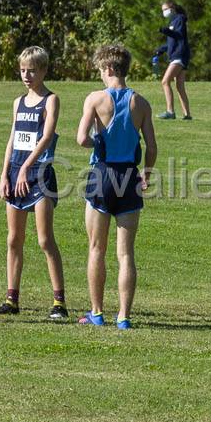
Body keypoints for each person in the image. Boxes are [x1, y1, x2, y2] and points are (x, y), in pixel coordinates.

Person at [77, 44, 157, 329]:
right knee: (126, 253)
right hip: (129, 177)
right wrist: (146, 173)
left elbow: (81, 138)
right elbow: (151, 146)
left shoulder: (96, 99)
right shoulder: (141, 103)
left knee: (96, 247)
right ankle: (124, 316)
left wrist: (100, 141)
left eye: (100, 70)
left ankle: (97, 312)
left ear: (109, 69)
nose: (101, 75)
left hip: (102, 175)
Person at [0, 46, 69, 320]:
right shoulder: (18, 102)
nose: (26, 75)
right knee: (14, 239)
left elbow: (47, 137)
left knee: (45, 239)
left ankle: (59, 302)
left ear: (44, 70)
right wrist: (5, 174)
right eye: (23, 70)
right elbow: (12, 139)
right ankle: (11, 299)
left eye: (32, 70)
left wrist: (26, 167)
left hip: (39, 174)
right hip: (16, 173)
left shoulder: (51, 100)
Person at [152, 0, 192, 120]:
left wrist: (165, 30)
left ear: (172, 8)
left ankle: (170, 112)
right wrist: (161, 49)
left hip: (179, 56)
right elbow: (172, 41)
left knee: (165, 82)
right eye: (163, 10)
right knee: (179, 86)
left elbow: (178, 35)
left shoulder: (179, 19)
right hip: (179, 55)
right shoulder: (173, 21)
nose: (164, 12)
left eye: (165, 9)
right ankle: (187, 115)